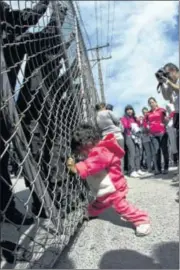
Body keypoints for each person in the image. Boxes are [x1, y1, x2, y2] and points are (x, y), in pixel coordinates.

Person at [67, 124, 151, 236]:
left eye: (81, 150)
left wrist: (76, 168)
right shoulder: (94, 151)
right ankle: (90, 212)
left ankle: (141, 219)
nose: (81, 154)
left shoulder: (101, 151)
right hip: (105, 189)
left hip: (114, 188)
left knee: (120, 206)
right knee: (99, 203)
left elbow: (93, 164)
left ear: (88, 143)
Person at [95, 103, 124, 171]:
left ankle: (113, 173)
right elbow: (117, 121)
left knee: (110, 156)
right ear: (103, 107)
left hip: (106, 136)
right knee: (120, 155)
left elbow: (98, 128)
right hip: (116, 134)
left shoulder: (96, 116)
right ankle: (121, 173)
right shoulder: (108, 112)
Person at [145, 97, 169, 175]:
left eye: (152, 102)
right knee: (156, 151)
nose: (151, 104)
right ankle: (158, 169)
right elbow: (145, 122)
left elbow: (167, 119)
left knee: (164, 150)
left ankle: (166, 167)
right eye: (150, 103)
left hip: (162, 133)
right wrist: (147, 127)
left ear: (155, 102)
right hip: (153, 134)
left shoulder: (162, 110)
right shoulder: (148, 113)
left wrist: (164, 124)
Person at [121, 105, 145, 178]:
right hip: (128, 136)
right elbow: (125, 126)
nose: (129, 111)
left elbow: (140, 125)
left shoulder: (134, 118)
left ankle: (138, 169)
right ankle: (132, 170)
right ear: (125, 111)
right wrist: (131, 124)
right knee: (132, 152)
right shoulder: (124, 118)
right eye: (127, 109)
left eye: (131, 109)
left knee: (138, 152)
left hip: (136, 137)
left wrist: (138, 120)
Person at [141, 108, 154, 173]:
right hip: (145, 138)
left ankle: (155, 166)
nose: (145, 113)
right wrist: (144, 130)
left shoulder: (151, 118)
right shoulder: (141, 120)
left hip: (151, 137)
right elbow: (140, 129)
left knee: (154, 152)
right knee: (148, 153)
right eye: (143, 112)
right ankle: (149, 167)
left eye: (146, 112)